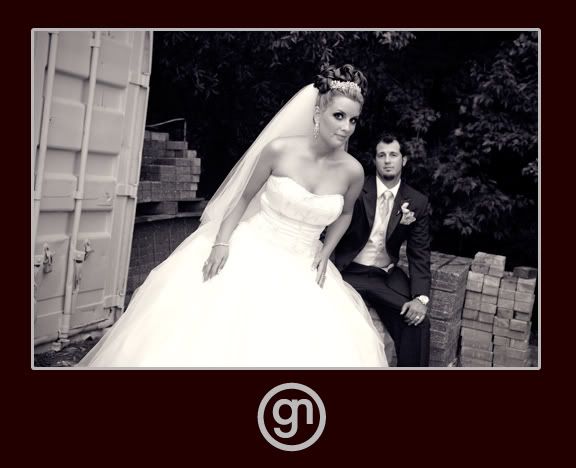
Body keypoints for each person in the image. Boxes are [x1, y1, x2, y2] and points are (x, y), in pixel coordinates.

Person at [78, 64, 388, 368]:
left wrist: (326, 250)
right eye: (339, 116)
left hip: (305, 263)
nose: (346, 127)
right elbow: (242, 199)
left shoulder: (352, 171)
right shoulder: (279, 151)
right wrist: (221, 243)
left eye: (353, 120)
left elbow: (345, 213)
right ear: (318, 113)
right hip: (253, 248)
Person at [334, 133, 431, 367]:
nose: (387, 160)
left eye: (393, 155)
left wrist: (420, 298)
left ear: (403, 160)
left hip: (384, 276)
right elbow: (331, 229)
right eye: (382, 155)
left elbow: (419, 253)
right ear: (375, 160)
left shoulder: (417, 202)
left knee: (417, 321)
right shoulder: (357, 189)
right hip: (348, 272)